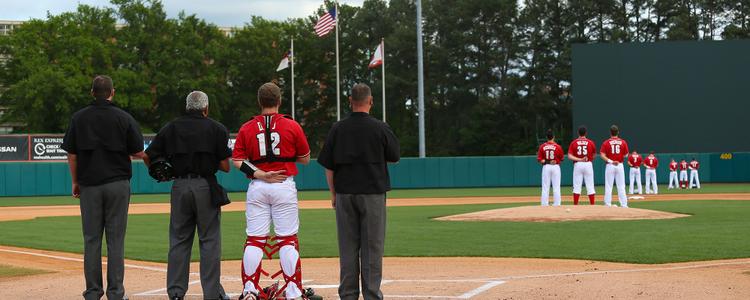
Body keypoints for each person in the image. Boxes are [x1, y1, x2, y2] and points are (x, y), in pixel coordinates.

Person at [61, 75, 144, 300]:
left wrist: (75, 181)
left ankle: (93, 292)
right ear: (112, 92)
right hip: (118, 184)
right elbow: (138, 150)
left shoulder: (78, 118)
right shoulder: (123, 117)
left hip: (89, 185)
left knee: (91, 239)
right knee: (115, 240)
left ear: (92, 93)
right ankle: (116, 293)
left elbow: (72, 154)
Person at [143, 91, 231, 300]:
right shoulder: (216, 128)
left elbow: (148, 155)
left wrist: (162, 172)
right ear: (206, 108)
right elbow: (225, 166)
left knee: (179, 240)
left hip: (180, 186)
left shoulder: (172, 127)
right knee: (209, 241)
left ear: (187, 107)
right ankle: (211, 294)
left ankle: (175, 293)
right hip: (205, 187)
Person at [318, 83, 400, 300]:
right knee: (372, 249)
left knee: (348, 248)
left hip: (345, 194)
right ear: (370, 101)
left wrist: (333, 194)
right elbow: (394, 156)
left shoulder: (338, 128)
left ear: (350, 101)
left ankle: (348, 295)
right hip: (372, 194)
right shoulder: (380, 127)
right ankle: (372, 295)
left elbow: (329, 165)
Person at [232, 83, 312, 300]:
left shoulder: (247, 127)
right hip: (283, 184)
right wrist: (284, 157)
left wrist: (260, 173)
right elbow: (305, 158)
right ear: (279, 101)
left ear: (260, 102)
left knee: (255, 240)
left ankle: (249, 290)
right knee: (287, 240)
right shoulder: (291, 125)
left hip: (258, 186)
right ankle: (294, 292)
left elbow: (237, 160)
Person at [600, 125, 630, 207]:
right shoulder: (623, 142)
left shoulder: (606, 142)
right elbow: (626, 155)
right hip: (619, 165)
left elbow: (602, 155)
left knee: (609, 186)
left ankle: (607, 204)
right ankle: (624, 204)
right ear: (618, 132)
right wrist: (619, 157)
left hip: (610, 165)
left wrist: (611, 161)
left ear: (610, 132)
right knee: (621, 186)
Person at [567, 126, 596, 205]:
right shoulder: (590, 142)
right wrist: (587, 159)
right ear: (586, 133)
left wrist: (579, 159)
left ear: (578, 133)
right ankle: (592, 205)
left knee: (577, 186)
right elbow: (594, 155)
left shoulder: (574, 142)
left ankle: (576, 205)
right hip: (588, 164)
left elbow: (569, 156)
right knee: (590, 185)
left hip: (578, 164)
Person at [537, 129, 564, 206]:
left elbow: (540, 160)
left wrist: (548, 162)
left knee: (545, 187)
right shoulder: (558, 147)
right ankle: (557, 203)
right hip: (555, 167)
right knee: (556, 186)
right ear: (553, 137)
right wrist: (554, 161)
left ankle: (544, 204)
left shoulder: (542, 146)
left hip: (546, 167)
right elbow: (561, 159)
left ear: (546, 137)